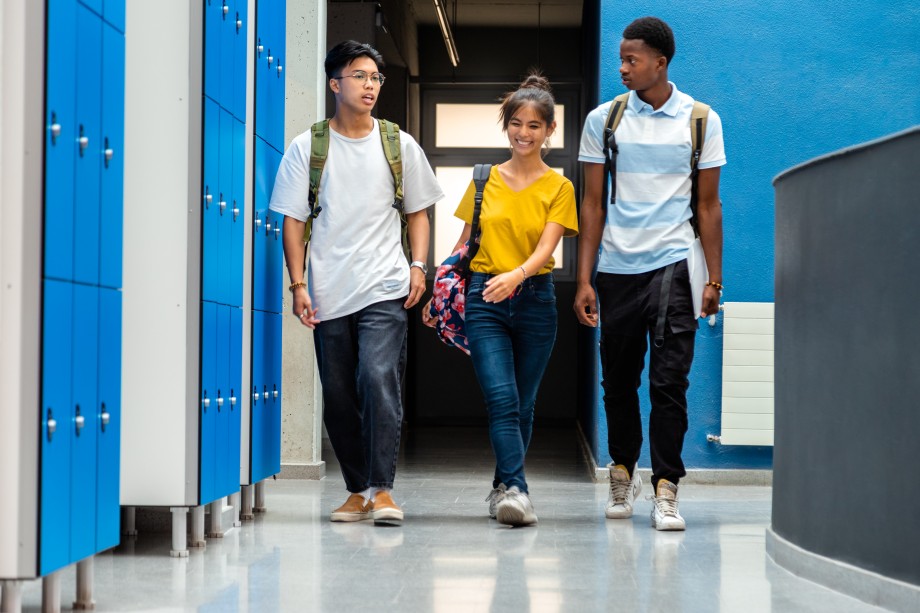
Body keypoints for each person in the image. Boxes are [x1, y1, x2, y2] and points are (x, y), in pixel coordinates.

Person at [270, 40, 444, 524]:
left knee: (377, 379)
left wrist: (418, 267)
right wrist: (298, 285)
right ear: (334, 84)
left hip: (384, 286)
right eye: (360, 76)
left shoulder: (398, 143)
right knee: (340, 393)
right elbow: (292, 220)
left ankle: (383, 490)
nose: (370, 86)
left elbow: (419, 213)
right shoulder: (309, 147)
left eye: (375, 78)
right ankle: (356, 489)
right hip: (327, 290)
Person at [574, 17, 726, 530]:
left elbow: (708, 207)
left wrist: (714, 280)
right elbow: (591, 205)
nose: (622, 68)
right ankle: (621, 470)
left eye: (632, 59)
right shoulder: (605, 120)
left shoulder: (701, 119)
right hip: (616, 269)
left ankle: (667, 486)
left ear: (660, 62)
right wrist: (584, 278)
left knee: (669, 384)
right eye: (620, 58)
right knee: (617, 384)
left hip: (676, 268)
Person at [424, 74, 578, 527]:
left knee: (523, 404)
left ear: (550, 131)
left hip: (535, 300)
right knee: (501, 398)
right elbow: (464, 242)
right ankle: (518, 490)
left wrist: (516, 276)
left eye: (534, 125)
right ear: (506, 126)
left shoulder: (560, 188)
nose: (523, 133)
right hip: (483, 298)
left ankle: (501, 486)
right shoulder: (482, 179)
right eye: (515, 123)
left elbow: (547, 249)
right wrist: (441, 292)